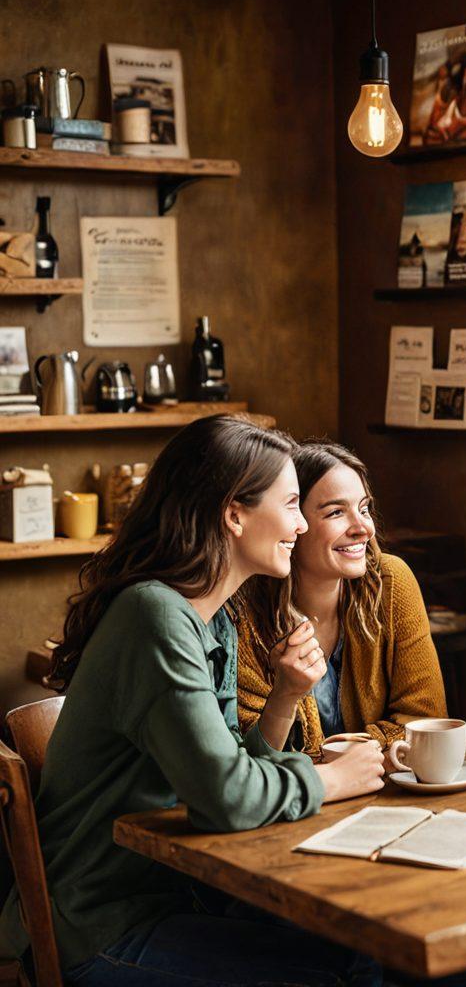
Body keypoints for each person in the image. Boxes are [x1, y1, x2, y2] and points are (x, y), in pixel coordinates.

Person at [0, 416, 386, 986]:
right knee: (344, 974)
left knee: (365, 954)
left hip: (180, 898)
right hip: (103, 926)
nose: (302, 524)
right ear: (234, 514)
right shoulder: (154, 616)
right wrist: (331, 780)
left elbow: (226, 770)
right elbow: (226, 799)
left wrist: (284, 698)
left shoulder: (210, 618)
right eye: (290, 504)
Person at [234, 440, 447, 757]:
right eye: (336, 512)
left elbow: (426, 721)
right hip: (298, 791)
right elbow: (248, 755)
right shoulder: (242, 616)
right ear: (293, 523)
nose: (363, 529)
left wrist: (337, 758)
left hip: (380, 783)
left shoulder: (390, 583)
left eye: (364, 509)